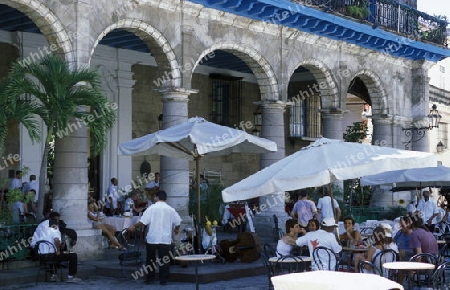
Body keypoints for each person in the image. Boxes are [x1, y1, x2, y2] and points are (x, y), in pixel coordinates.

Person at [128, 190, 181, 285]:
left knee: (150, 259)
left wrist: (134, 226)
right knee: (164, 260)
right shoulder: (171, 209)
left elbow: (143, 222)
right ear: (166, 198)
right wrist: (177, 229)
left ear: (156, 197)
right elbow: (178, 222)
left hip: (152, 238)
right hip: (165, 239)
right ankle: (163, 280)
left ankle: (150, 279)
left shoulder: (151, 208)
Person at [30, 213, 81, 282]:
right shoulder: (54, 226)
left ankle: (53, 275)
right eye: (57, 220)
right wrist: (58, 250)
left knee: (53, 252)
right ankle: (71, 277)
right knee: (73, 256)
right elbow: (56, 239)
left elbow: (33, 242)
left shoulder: (41, 225)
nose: (58, 221)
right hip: (50, 255)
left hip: (40, 255)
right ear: (53, 219)